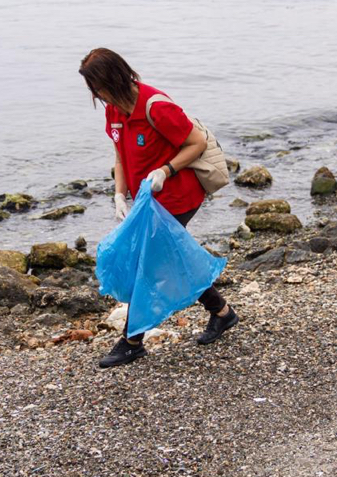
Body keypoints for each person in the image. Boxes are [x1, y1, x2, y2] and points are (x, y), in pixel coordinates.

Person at [79, 47, 238, 369]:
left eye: (98, 86)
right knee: (169, 257)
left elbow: (197, 144)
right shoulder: (114, 111)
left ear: (114, 79)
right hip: (144, 200)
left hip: (178, 194)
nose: (96, 94)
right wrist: (119, 195)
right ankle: (222, 313)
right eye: (93, 89)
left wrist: (166, 170)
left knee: (147, 263)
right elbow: (121, 156)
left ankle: (131, 341)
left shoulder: (156, 106)